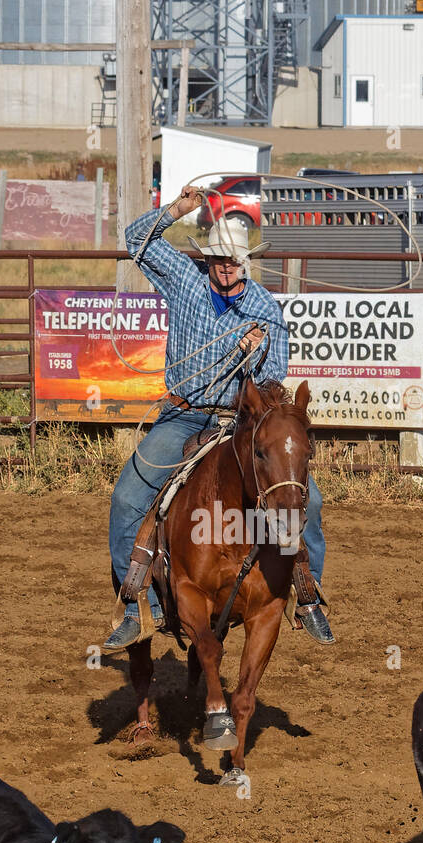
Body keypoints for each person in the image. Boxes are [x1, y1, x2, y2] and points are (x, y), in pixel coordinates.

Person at [104, 183, 334, 651]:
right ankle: (137, 608)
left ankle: (306, 596)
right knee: (129, 497)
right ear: (206, 258)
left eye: (232, 260)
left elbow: (272, 387)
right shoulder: (186, 280)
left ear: (247, 263)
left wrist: (255, 355)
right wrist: (175, 211)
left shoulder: (264, 310)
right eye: (217, 259)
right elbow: (133, 241)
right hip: (183, 417)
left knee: (306, 502)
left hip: (238, 425)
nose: (224, 267)